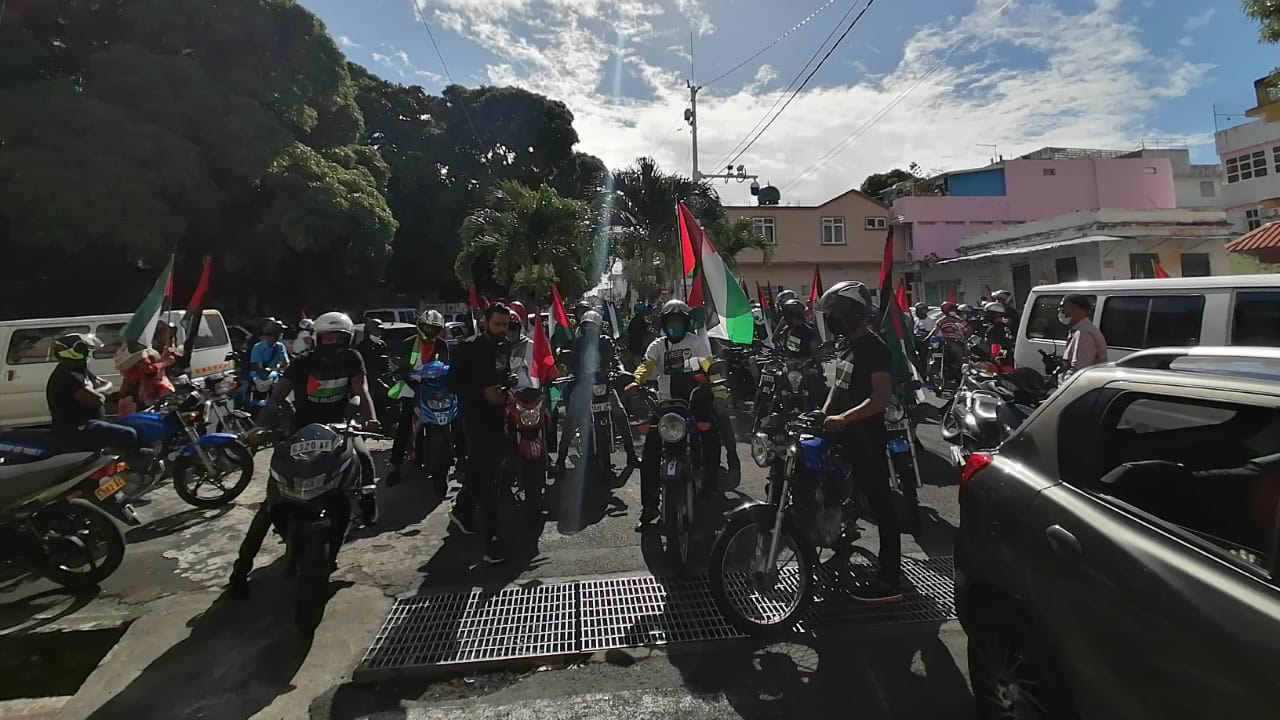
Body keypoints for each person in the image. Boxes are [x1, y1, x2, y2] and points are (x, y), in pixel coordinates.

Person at [229, 311, 379, 597]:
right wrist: (260, 427)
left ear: (348, 340)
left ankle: (368, 504)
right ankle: (240, 569)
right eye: (328, 337)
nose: (333, 342)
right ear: (317, 339)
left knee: (364, 459)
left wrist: (370, 419)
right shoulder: (301, 364)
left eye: (339, 338)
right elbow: (276, 399)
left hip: (340, 429)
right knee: (272, 501)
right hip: (299, 432)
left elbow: (362, 389)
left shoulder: (352, 359)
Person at [817, 281, 903, 603]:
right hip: (840, 435)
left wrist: (845, 419)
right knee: (834, 494)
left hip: (866, 438)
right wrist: (823, 413)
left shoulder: (876, 348)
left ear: (855, 313)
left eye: (838, 313)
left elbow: (880, 398)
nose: (833, 319)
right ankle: (840, 550)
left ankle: (891, 577)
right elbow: (837, 387)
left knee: (881, 505)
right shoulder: (845, 347)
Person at [628, 300, 721, 530]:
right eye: (671, 321)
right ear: (665, 323)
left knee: (712, 437)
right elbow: (645, 366)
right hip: (666, 406)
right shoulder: (657, 347)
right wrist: (636, 380)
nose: (675, 325)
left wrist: (719, 391)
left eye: (679, 321)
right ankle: (650, 507)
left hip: (693, 403)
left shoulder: (696, 343)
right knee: (649, 454)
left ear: (686, 323)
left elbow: (710, 368)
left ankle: (710, 489)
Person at [447, 304, 514, 564]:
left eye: (505, 325)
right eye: (497, 324)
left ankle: (463, 509)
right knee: (489, 479)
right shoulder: (468, 347)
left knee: (479, 468)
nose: (501, 330)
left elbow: (502, 375)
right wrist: (482, 391)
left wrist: (507, 385)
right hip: (475, 419)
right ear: (485, 322)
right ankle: (492, 542)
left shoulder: (503, 347)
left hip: (499, 417)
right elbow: (453, 383)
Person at [556, 310, 640, 474]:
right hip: (583, 384)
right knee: (572, 418)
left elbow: (616, 361)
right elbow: (572, 363)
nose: (589, 329)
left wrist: (621, 371)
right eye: (586, 326)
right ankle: (560, 459)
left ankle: (631, 454)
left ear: (599, 327)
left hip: (603, 384)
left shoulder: (606, 342)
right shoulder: (578, 343)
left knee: (620, 414)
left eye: (593, 326)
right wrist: (574, 374)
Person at [386, 310, 457, 492]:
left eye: (435, 328)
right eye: (428, 327)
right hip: (413, 387)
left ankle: (460, 456)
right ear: (420, 325)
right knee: (404, 423)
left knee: (454, 417)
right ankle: (395, 465)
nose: (431, 331)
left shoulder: (442, 345)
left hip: (436, 389)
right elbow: (399, 366)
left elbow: (447, 365)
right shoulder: (408, 344)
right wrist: (404, 373)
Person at [47, 334, 141, 453]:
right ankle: (126, 467)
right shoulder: (67, 376)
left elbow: (107, 384)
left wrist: (98, 391)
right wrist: (100, 393)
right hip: (76, 428)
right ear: (74, 351)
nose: (88, 354)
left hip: (89, 423)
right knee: (128, 433)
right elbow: (97, 400)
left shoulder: (80, 370)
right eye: (85, 350)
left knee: (133, 423)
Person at [775, 297, 826, 408]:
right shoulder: (788, 330)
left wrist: (810, 360)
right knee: (776, 379)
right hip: (789, 366)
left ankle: (817, 406)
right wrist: (780, 325)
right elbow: (775, 339)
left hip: (804, 365)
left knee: (815, 378)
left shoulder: (808, 331)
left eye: (785, 316)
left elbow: (815, 352)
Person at [1060, 293, 1107, 377]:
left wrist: (1063, 385)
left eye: (1063, 308)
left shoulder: (1084, 333)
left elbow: (1078, 370)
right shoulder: (1079, 330)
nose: (1061, 312)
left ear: (1074, 308)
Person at [626, 302, 653, 367]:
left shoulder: (636, 320)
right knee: (637, 363)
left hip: (637, 345)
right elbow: (641, 332)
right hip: (637, 346)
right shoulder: (638, 321)